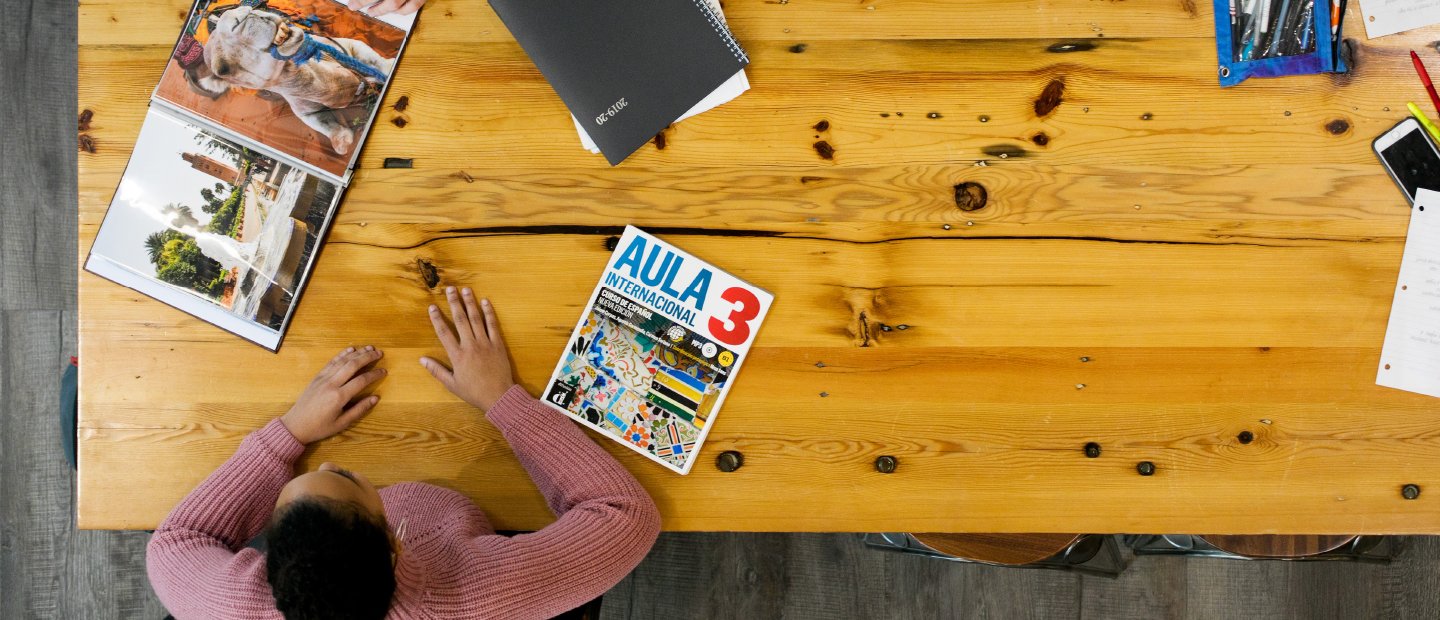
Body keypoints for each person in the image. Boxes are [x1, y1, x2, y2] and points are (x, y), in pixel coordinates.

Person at [146, 287, 661, 619]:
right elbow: (627, 515)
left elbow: (176, 541)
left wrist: (288, 434)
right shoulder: (476, 598)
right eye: (345, 476)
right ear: (393, 542)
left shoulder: (233, 606)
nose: (323, 462)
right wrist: (504, 402)